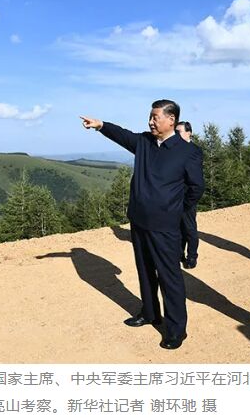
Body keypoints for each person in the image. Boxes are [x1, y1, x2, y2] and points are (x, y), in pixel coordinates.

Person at [81, 100, 204, 350]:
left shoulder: (188, 152)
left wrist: (175, 210)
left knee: (169, 277)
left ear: (171, 119)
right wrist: (101, 125)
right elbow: (122, 135)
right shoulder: (145, 143)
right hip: (139, 221)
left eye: (155, 117)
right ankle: (149, 313)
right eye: (150, 116)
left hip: (166, 225)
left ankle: (176, 330)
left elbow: (196, 188)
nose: (150, 121)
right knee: (145, 271)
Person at [175, 121, 203, 269]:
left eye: (179, 132)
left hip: (187, 197)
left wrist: (188, 201)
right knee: (177, 228)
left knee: (189, 228)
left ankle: (192, 257)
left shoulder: (194, 150)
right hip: (175, 197)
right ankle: (179, 254)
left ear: (189, 133)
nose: (176, 135)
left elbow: (196, 181)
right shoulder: (174, 150)